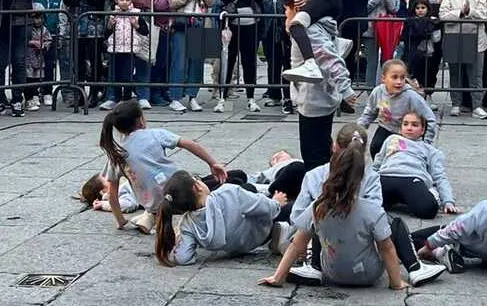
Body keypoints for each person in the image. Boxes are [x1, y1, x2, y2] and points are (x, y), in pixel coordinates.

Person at [259, 126, 409, 290]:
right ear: (361, 176)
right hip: (368, 274)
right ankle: (415, 265)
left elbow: (297, 244)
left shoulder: (318, 205)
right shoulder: (372, 208)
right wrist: (396, 283)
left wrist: (278, 277)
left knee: (314, 227)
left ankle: (313, 266)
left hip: (332, 273)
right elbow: (385, 248)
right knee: (391, 227)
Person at [99, 100, 228, 233]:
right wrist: (212, 163)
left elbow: (112, 195)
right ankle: (184, 219)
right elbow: (190, 144)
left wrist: (120, 221)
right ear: (141, 120)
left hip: (153, 203)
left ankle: (151, 216)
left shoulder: (117, 155)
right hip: (183, 192)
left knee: (155, 202)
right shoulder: (155, 134)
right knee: (234, 177)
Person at [284, 0, 355, 169]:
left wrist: (346, 89)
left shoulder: (310, 31)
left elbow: (330, 59)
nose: (286, 14)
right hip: (317, 97)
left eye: (287, 9)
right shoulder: (318, 26)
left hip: (314, 99)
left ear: (297, 8)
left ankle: (321, 191)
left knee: (314, 156)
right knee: (321, 148)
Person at [154, 170, 289, 266]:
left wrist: (179, 244)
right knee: (294, 171)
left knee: (240, 181)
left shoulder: (187, 225)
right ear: (197, 187)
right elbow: (265, 207)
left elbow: (182, 257)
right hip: (262, 231)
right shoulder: (227, 193)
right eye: (197, 178)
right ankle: (281, 230)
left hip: (238, 246)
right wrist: (277, 203)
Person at [371, 110, 457, 219]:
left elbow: (439, 176)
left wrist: (448, 201)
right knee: (364, 203)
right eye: (405, 124)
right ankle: (393, 200)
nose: (409, 128)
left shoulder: (430, 150)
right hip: (386, 176)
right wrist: (367, 183)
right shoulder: (391, 140)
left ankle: (427, 194)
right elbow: (376, 164)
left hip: (411, 179)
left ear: (422, 130)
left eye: (415, 125)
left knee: (428, 209)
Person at [216, 0, 267, 113]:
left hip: (250, 25)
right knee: (228, 60)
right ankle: (222, 97)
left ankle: (251, 98)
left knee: (249, 62)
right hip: (231, 25)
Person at [358, 59, 438, 158]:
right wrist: (359, 129)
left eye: (402, 78)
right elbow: (369, 113)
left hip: (406, 132)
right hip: (385, 128)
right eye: (394, 77)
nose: (399, 82)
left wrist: (426, 142)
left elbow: (430, 119)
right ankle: (380, 170)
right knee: (376, 148)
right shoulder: (378, 92)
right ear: (383, 79)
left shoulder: (411, 96)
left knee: (400, 155)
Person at [439, 0, 487, 119]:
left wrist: (469, 12)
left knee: (476, 75)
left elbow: (483, 15)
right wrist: (460, 13)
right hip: (454, 36)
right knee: (455, 74)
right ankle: (456, 104)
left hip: (476, 39)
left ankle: (477, 106)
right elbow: (443, 14)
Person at [168, 0, 215, 113]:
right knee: (179, 63)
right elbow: (172, 2)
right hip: (182, 24)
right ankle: (175, 97)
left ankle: (192, 96)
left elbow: (211, 2)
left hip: (199, 24)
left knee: (196, 63)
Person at [64, 0, 106, 109]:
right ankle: (79, 91)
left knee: (95, 59)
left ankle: (95, 92)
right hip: (77, 21)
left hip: (93, 22)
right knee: (78, 59)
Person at [101, 0, 151, 110]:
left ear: (131, 0)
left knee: (127, 75)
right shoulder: (113, 14)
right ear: (116, 0)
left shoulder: (136, 13)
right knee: (115, 75)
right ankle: (114, 98)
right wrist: (109, 26)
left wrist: (136, 25)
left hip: (130, 50)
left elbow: (145, 31)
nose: (124, 2)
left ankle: (127, 98)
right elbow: (105, 34)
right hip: (115, 49)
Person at [363, 0, 400, 88]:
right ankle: (370, 92)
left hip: (387, 29)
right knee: (371, 62)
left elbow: (394, 8)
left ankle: (386, 91)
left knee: (387, 62)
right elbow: (366, 6)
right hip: (370, 29)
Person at [262, 0, 293, 114]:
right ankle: (274, 93)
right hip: (270, 29)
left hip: (285, 30)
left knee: (287, 63)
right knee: (272, 63)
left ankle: (288, 96)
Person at [147, 0, 175, 107]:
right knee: (158, 62)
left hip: (171, 27)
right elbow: (158, 4)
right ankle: (155, 93)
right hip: (159, 27)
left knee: (168, 62)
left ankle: (165, 90)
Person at [33, 0, 64, 108]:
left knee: (50, 64)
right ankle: (33, 92)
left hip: (53, 34)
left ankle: (47, 92)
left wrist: (61, 33)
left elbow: (63, 15)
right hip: (37, 35)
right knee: (34, 64)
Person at [402, 0, 440, 97]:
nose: (420, 10)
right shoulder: (410, 21)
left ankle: (428, 95)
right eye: (417, 8)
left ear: (428, 8)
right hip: (414, 52)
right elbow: (405, 36)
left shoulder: (434, 21)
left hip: (430, 52)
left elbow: (437, 38)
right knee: (415, 73)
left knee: (430, 73)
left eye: (423, 7)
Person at [24, 6, 52, 112]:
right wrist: (31, 42)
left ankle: (36, 94)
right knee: (28, 78)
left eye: (40, 18)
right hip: (28, 58)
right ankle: (30, 97)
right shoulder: (27, 29)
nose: (38, 20)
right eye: (35, 18)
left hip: (39, 57)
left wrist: (44, 45)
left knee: (37, 78)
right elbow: (21, 40)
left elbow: (49, 39)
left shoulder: (44, 29)